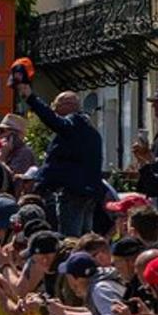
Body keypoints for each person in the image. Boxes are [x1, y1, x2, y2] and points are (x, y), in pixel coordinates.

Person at [15, 83, 104, 236]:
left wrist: (31, 98)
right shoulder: (91, 132)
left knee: (70, 239)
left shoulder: (72, 124)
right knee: (85, 238)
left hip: (72, 192)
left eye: (56, 106)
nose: (54, 110)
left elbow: (52, 120)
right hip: (89, 192)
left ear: (68, 106)